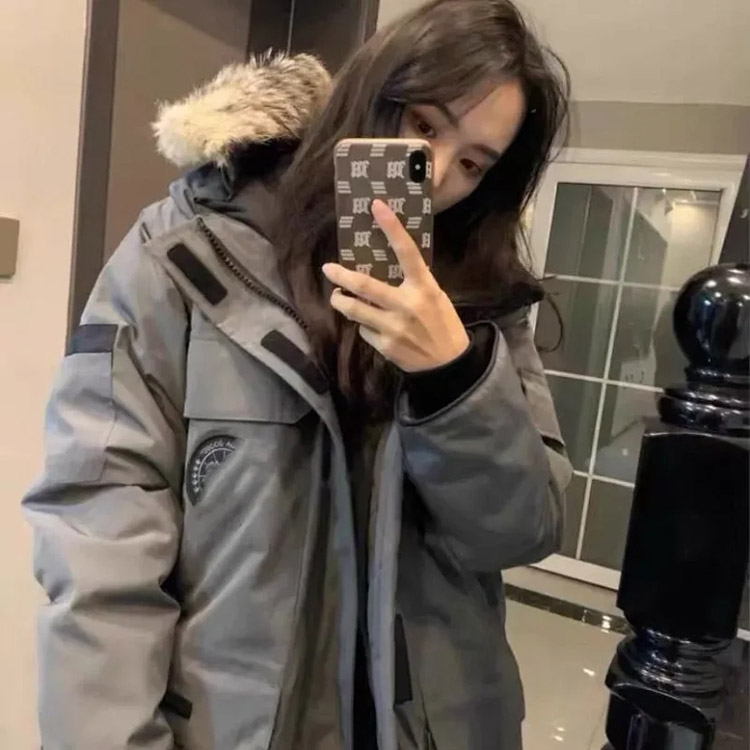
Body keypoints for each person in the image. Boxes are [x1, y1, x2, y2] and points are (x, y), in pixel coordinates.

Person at [23, 1, 572, 748]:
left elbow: (521, 530)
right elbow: (98, 536)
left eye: (474, 162)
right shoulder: (183, 253)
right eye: (422, 126)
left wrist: (453, 377)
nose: (438, 174)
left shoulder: (482, 298)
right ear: (371, 92)